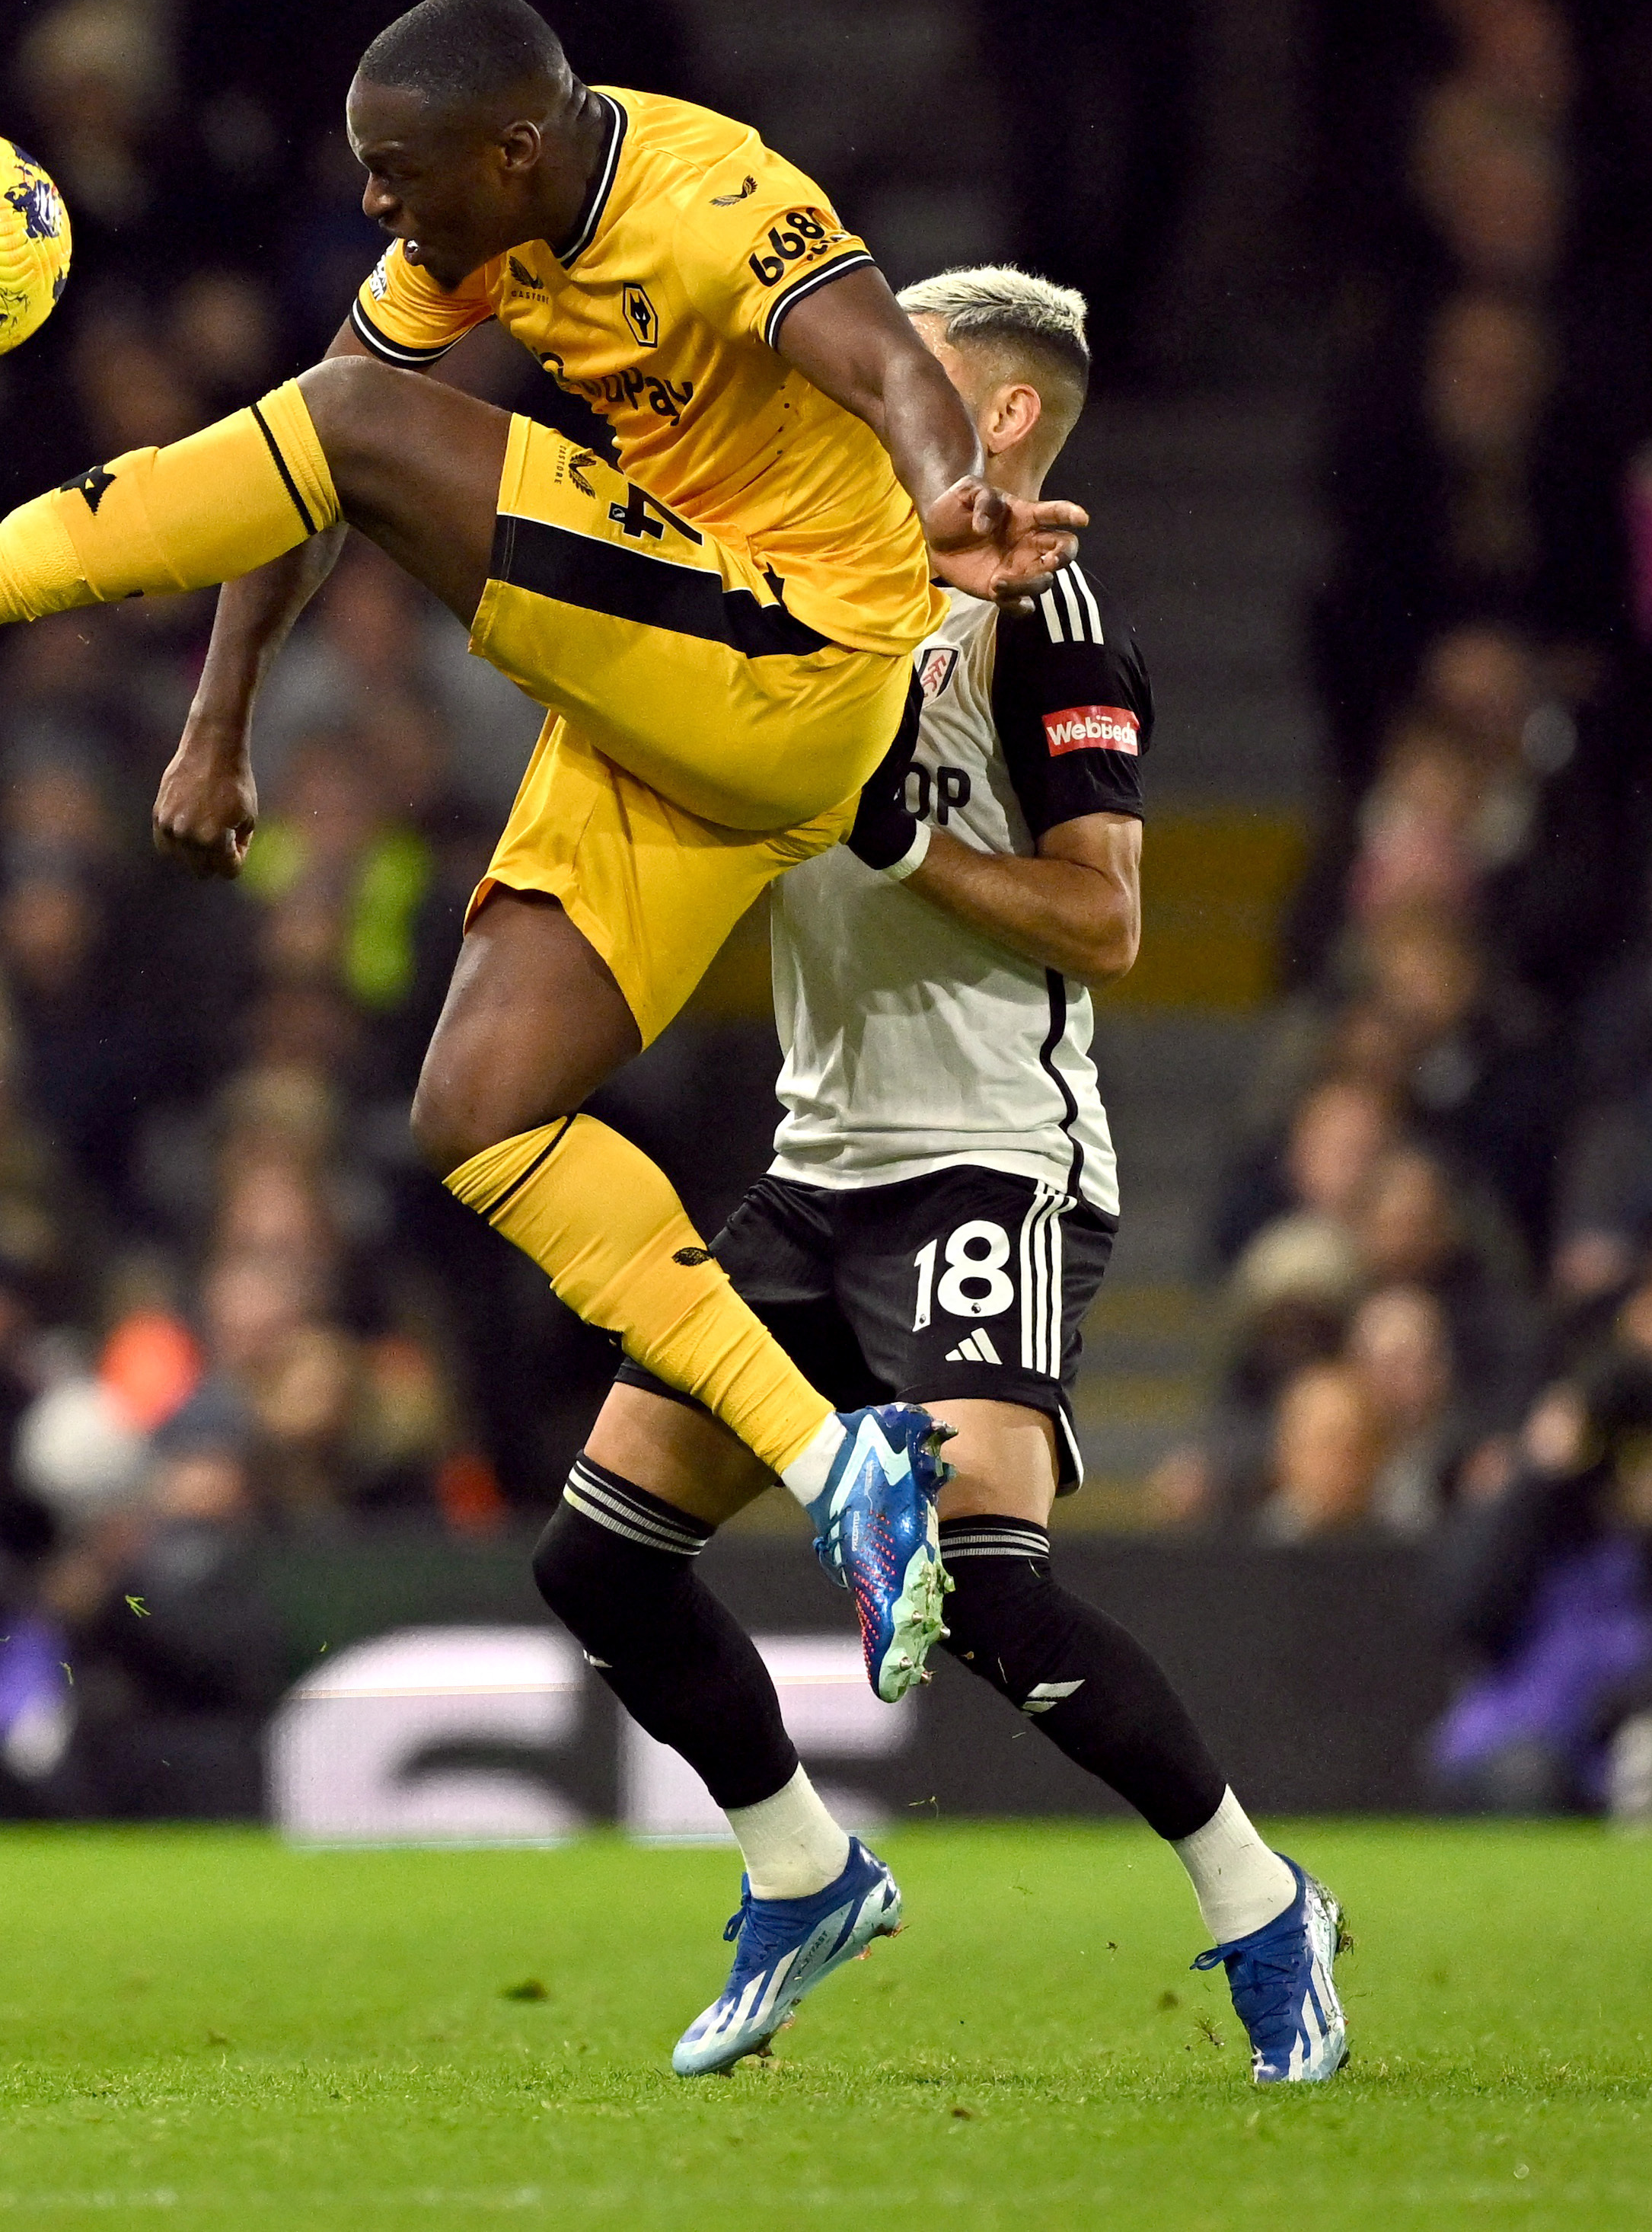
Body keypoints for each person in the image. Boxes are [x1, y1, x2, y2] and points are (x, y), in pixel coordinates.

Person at [0, 0, 1083, 1698]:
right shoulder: (486, 217)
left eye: (398, 177)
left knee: (363, 427)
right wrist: (218, 720)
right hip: (690, 679)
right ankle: (842, 1476)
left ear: (513, 149)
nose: (378, 207)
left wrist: (952, 486)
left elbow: (885, 355)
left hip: (797, 653)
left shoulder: (714, 200)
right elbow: (301, 445)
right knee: (480, 1114)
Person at [524, 270, 1346, 2085]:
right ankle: (801, 1868)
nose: (861, 398)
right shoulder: (829, 580)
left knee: (982, 1582)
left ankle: (1255, 1896)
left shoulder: (1041, 621)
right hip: (815, 1167)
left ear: (1007, 422)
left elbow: (1109, 917)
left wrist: (908, 842)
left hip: (994, 1161)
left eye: (915, 380)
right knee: (597, 1561)